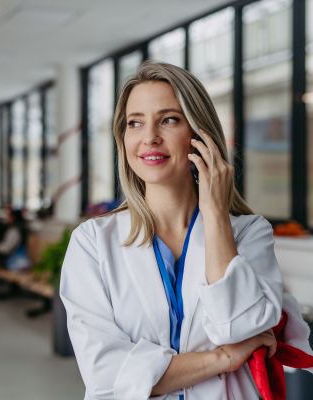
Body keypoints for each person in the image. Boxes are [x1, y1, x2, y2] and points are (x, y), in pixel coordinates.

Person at [60, 61, 288, 399]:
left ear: (200, 135)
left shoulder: (248, 233)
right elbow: (106, 374)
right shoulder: (93, 242)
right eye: (135, 123)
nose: (149, 137)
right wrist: (222, 358)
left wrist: (214, 214)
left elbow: (239, 325)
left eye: (168, 120)